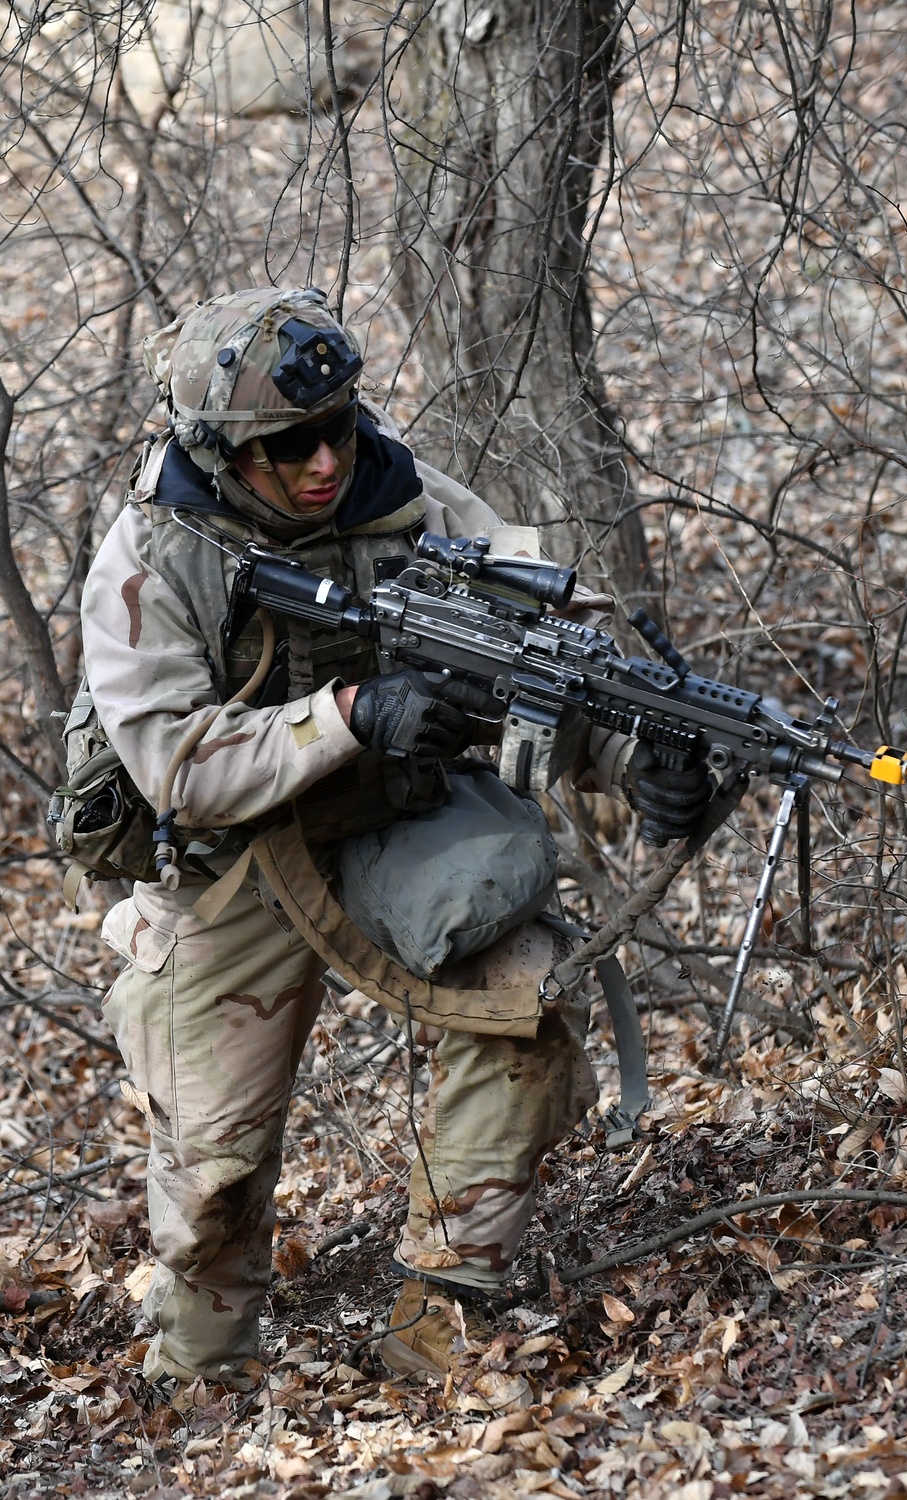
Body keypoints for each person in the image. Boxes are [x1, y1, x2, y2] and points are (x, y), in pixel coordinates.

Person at [74, 287, 708, 1391]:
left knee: (519, 1002)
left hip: (392, 828)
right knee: (210, 1170)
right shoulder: (153, 559)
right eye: (290, 445)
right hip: (226, 870)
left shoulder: (407, 495)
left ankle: (441, 1340)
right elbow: (178, 763)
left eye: (341, 426)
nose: (327, 461)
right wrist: (350, 714)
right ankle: (200, 1391)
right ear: (225, 453)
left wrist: (640, 748)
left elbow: (544, 651)